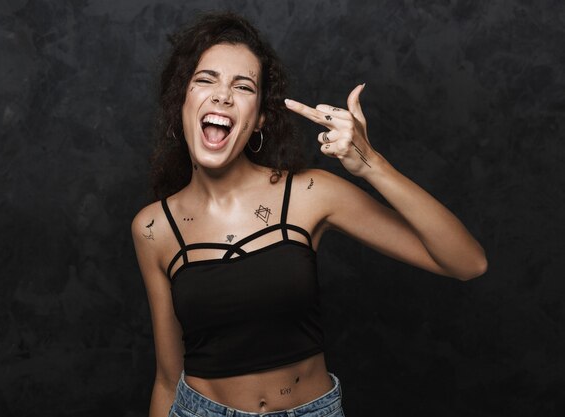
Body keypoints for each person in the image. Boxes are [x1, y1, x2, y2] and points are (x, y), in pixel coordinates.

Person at [131, 11, 487, 417]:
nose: (222, 95)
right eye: (205, 80)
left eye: (243, 86)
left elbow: (467, 262)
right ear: (183, 100)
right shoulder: (153, 228)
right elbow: (166, 379)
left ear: (260, 118)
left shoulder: (310, 193)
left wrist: (370, 163)